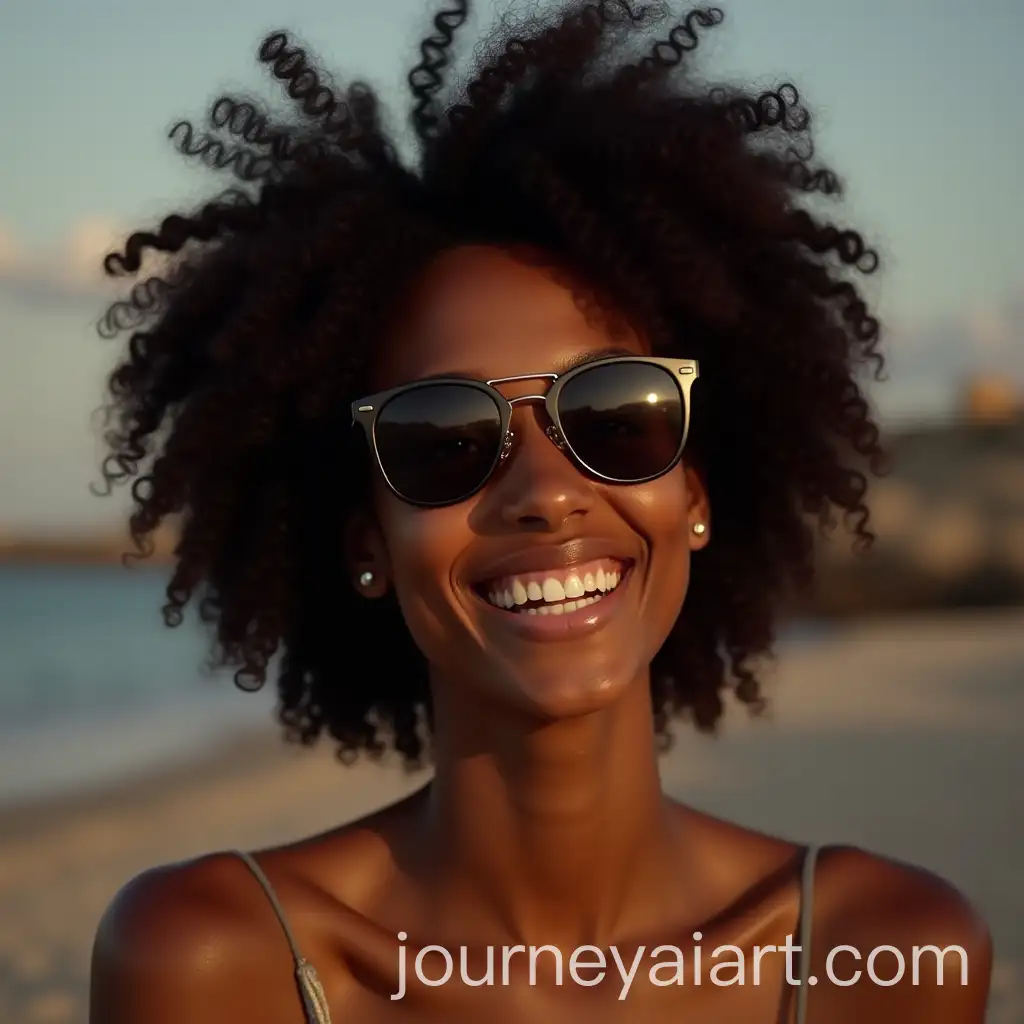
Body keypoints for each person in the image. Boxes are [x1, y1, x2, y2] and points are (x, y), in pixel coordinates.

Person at [87, 2, 993, 1021]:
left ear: (693, 493)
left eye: (614, 416)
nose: (545, 489)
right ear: (365, 541)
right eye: (443, 439)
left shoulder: (886, 952)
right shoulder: (215, 957)